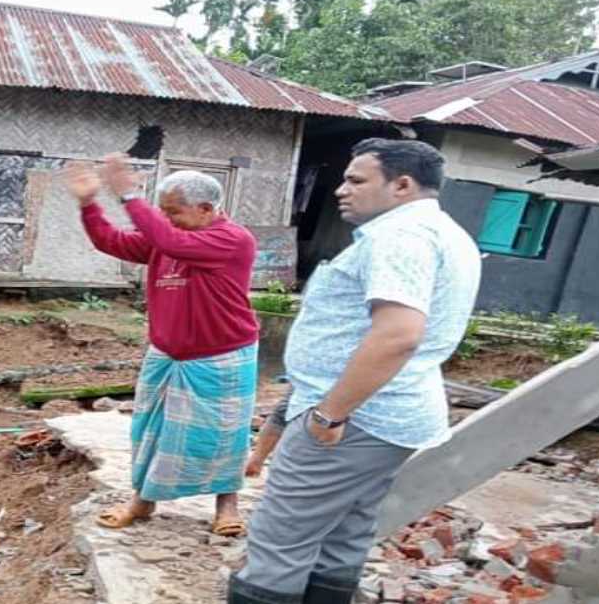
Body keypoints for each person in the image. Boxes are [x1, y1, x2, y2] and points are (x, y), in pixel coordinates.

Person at [230, 138, 482, 604]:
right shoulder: (443, 233)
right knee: (343, 535)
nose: (341, 190)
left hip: (355, 420)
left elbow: (398, 334)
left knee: (280, 540)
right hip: (391, 417)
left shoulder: (398, 238)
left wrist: (330, 415)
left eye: (356, 180)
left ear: (402, 185)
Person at [64, 153, 259, 537]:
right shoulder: (166, 239)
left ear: (205, 209)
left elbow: (165, 236)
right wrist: (89, 204)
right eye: (163, 212)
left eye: (175, 212)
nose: (168, 219)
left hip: (221, 354)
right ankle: (143, 500)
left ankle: (227, 504)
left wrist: (129, 197)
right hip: (166, 355)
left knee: (223, 435)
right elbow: (111, 240)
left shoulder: (231, 239)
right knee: (150, 431)